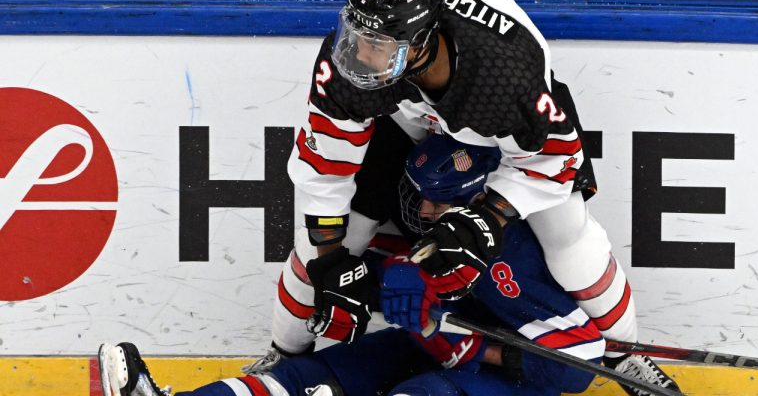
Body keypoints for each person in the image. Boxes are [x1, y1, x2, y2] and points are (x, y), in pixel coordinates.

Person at [278, 0, 680, 394]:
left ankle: (625, 358)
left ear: (419, 44)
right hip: (405, 110)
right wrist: (330, 257)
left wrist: (489, 215)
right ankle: (285, 357)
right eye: (356, 37)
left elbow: (555, 162)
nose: (358, 54)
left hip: (499, 126)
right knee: (323, 248)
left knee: (567, 234)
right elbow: (325, 168)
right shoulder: (354, 65)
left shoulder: (504, 74)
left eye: (376, 45)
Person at [98, 135, 607, 396]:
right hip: (422, 349)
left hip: (491, 385)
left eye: (440, 203)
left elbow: (581, 361)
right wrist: (382, 284)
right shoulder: (423, 232)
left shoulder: (507, 259)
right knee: (306, 377)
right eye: (420, 197)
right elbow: (387, 283)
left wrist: (473, 347)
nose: (422, 212)